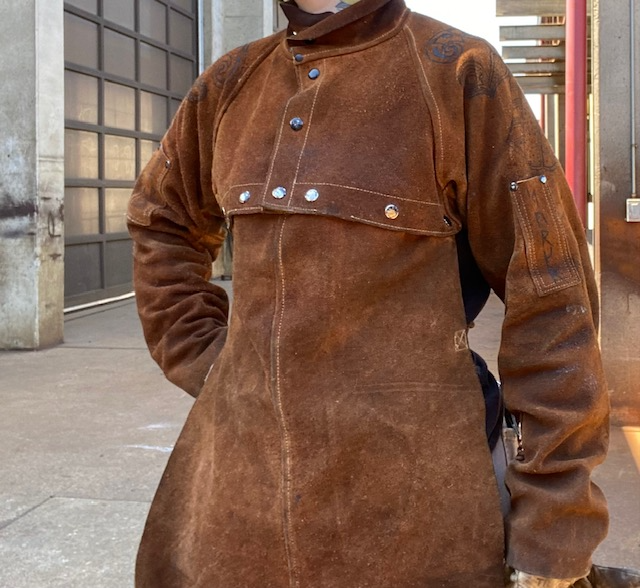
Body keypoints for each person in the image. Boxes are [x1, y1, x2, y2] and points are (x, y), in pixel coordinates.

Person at [127, 0, 610, 586]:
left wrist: (553, 526)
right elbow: (164, 221)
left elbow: (551, 299)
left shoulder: (459, 72)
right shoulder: (231, 82)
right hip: (241, 497)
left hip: (422, 506)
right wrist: (211, 360)